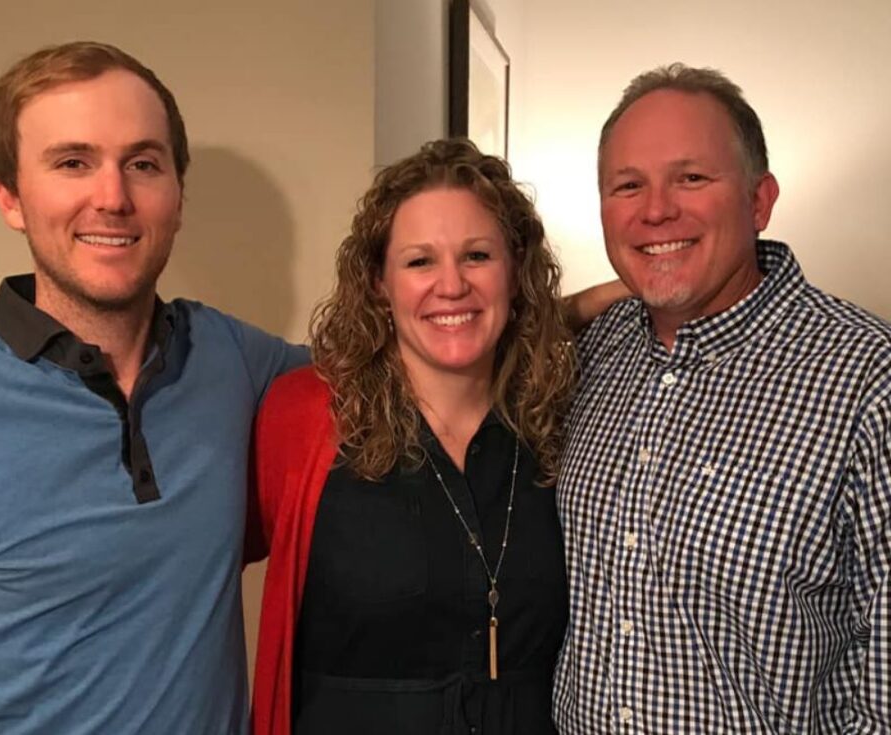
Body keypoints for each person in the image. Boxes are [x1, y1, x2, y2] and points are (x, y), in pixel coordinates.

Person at [0, 42, 305, 734]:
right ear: (9, 196)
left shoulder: (232, 359)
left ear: (177, 195)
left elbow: (399, 372)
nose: (113, 197)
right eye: (73, 162)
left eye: (143, 163)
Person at [553, 63, 891, 733]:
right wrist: (579, 306)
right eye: (628, 186)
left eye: (692, 178)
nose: (655, 210)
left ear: (759, 200)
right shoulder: (594, 354)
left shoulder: (867, 380)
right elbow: (457, 337)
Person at [247, 138, 583, 735]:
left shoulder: (561, 418)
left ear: (516, 269)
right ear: (379, 282)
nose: (451, 285)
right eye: (419, 261)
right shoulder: (301, 417)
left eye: (477, 255)